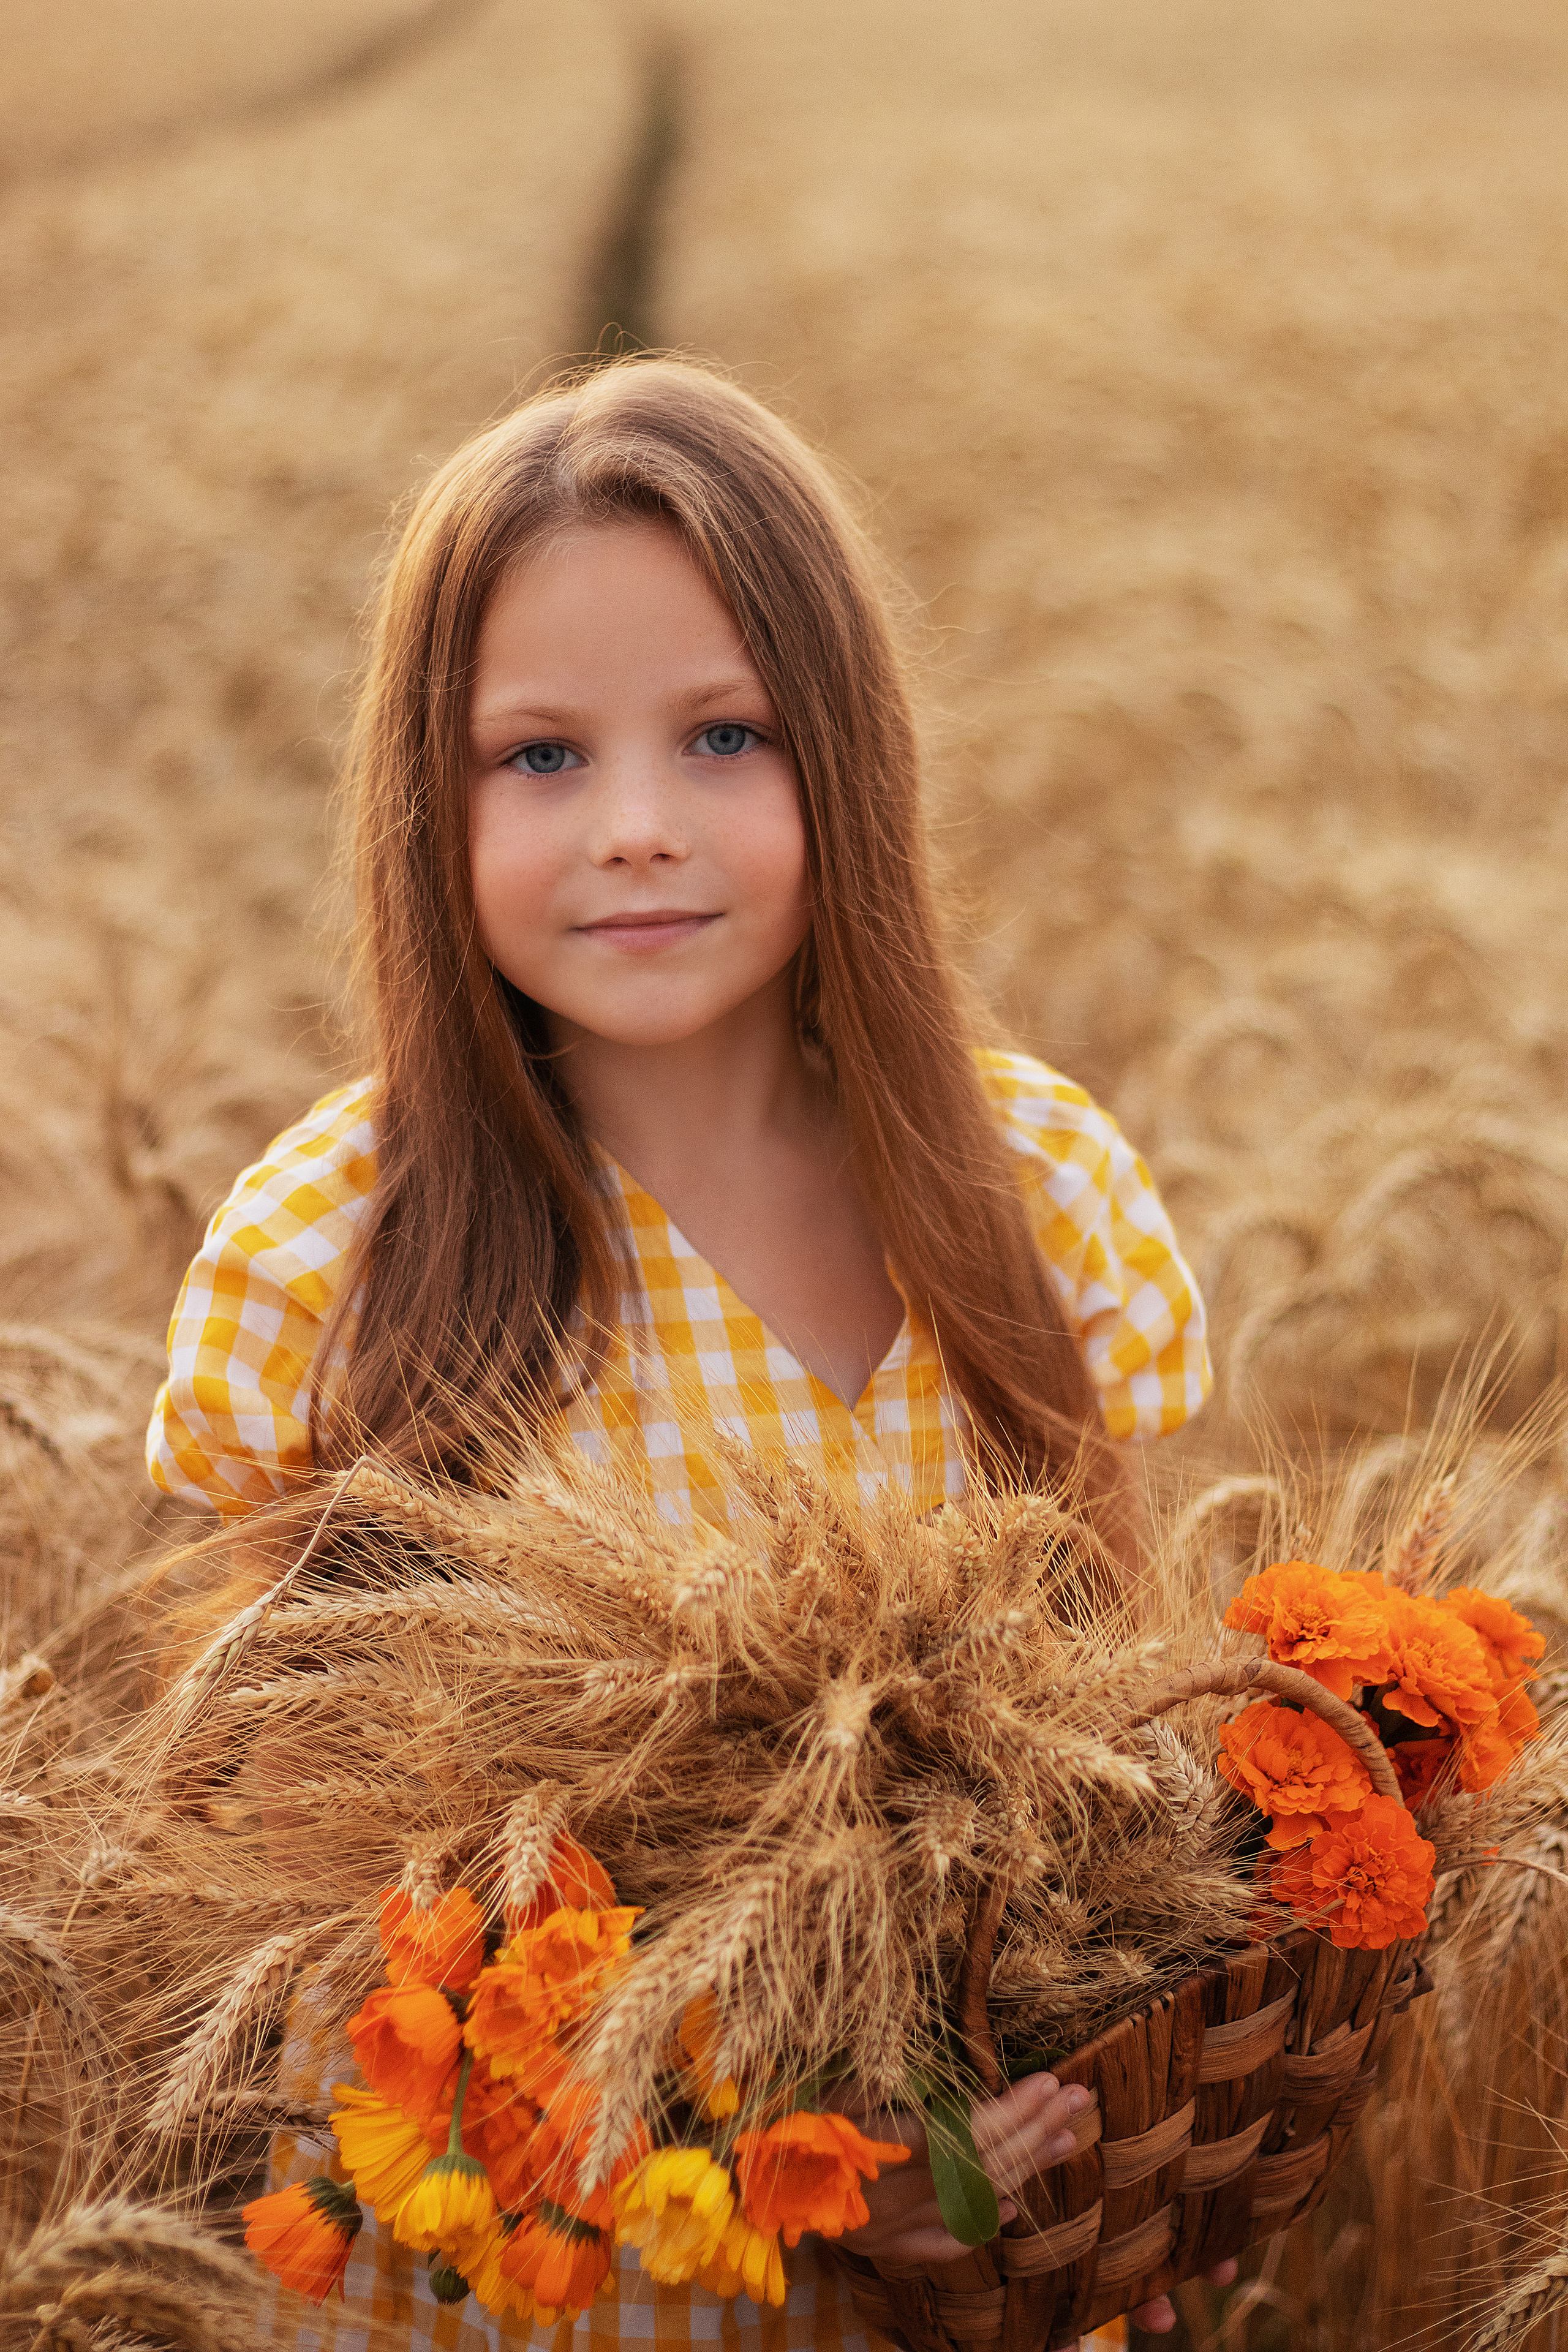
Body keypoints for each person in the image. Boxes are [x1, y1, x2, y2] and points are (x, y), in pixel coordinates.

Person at [147, 358, 1223, 2351]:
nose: (638, 829)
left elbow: (1114, 1737)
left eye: (724, 736)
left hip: (992, 2268)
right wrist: (758, 2161)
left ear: (849, 763)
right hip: (538, 2282)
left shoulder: (1034, 1192)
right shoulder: (345, 1251)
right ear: (423, 802)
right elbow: (294, 1903)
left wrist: (1019, 2150)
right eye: (539, 759)